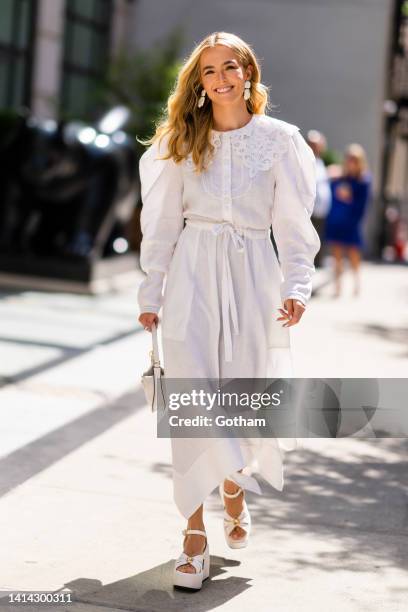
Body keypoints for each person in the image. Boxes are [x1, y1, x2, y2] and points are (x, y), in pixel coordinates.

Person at [137, 31, 320, 590]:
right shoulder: (180, 141)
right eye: (209, 71)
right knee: (192, 405)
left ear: (249, 74)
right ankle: (193, 537)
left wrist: (297, 284)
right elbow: (163, 223)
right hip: (192, 276)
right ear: (198, 83)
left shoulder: (281, 141)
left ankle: (234, 483)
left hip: (253, 281)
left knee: (241, 400)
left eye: (230, 67)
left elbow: (293, 223)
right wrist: (152, 292)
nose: (220, 78)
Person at [324, 144, 372, 297]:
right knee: (336, 255)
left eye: (355, 159)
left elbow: (363, 204)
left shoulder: (364, 180)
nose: (351, 162)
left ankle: (357, 284)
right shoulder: (340, 177)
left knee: (353, 255)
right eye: (349, 158)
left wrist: (348, 197)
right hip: (336, 220)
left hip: (352, 222)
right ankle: (337, 287)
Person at [307, 130, 332, 267]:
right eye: (312, 144)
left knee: (319, 238)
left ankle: (318, 263)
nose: (315, 148)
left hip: (321, 210)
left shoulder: (321, 162)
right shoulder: (304, 159)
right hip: (309, 209)